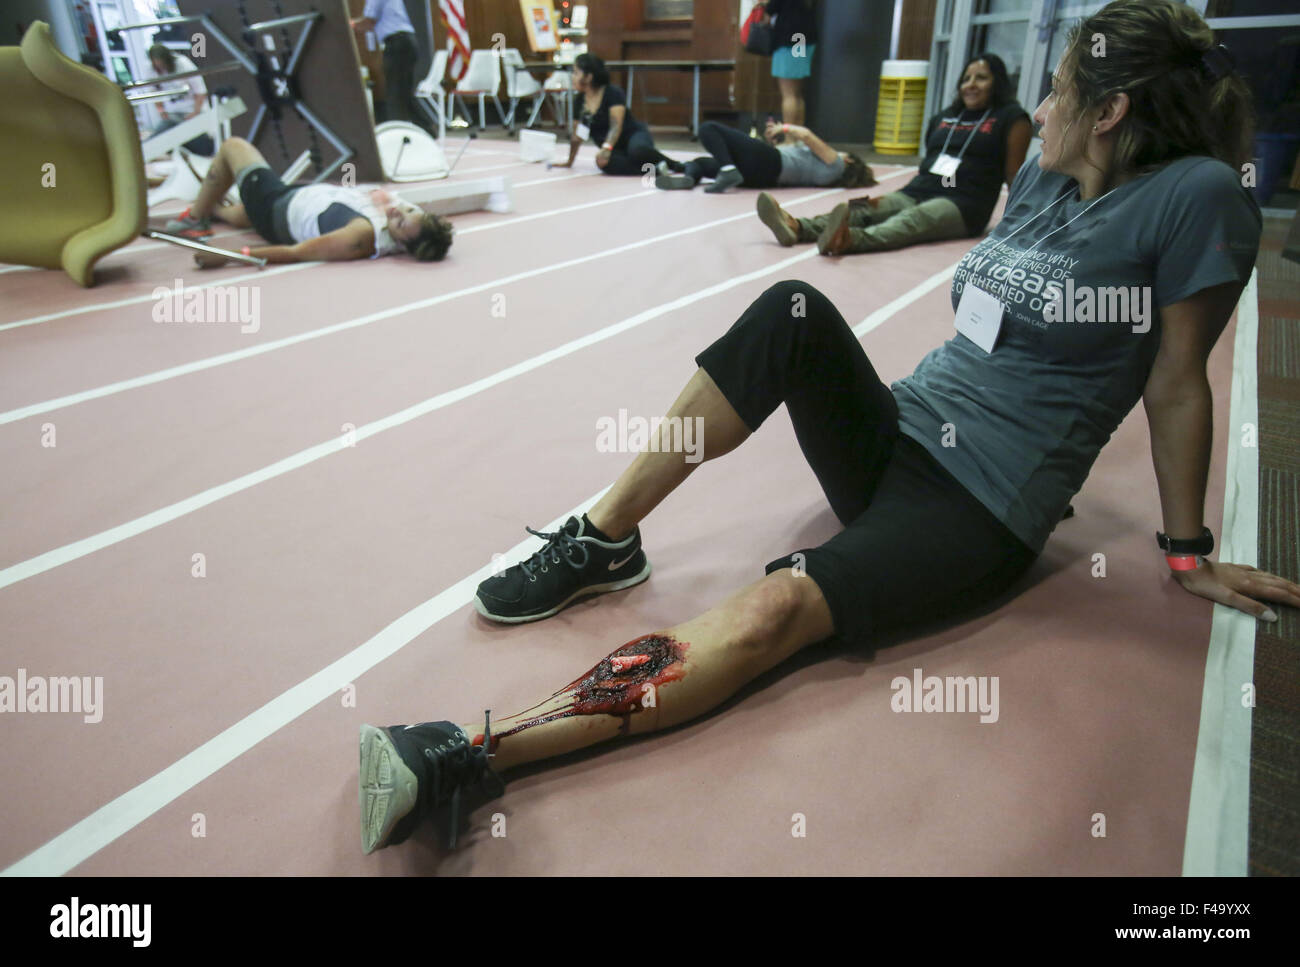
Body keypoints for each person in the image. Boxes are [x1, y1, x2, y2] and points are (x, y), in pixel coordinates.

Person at [358, 0, 1299, 855]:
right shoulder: (1050, 181)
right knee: (793, 308)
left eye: (1057, 94)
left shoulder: (1196, 197)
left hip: (979, 507)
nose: (1037, 112)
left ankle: (475, 752)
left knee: (779, 609)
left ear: (1111, 111)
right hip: (904, 430)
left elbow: (1177, 383)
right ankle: (604, 537)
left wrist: (1187, 552)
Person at [757, 53, 1032, 256]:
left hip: (963, 202)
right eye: (966, 78)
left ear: (998, 83)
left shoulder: (1011, 118)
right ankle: (797, 227)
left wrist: (1018, 227)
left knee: (912, 221)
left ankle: (848, 240)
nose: (970, 84)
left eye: (981, 78)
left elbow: (1014, 176)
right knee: (862, 208)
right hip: (919, 189)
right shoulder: (944, 117)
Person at [164, 137, 452, 266]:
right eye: (409, 209)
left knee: (233, 147)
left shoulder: (359, 237)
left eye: (400, 221)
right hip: (293, 200)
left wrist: (229, 257)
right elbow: (391, 205)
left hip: (275, 207)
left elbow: (296, 252)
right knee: (238, 215)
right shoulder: (393, 216)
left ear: (401, 243)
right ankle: (214, 208)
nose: (397, 210)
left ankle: (195, 220)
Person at [551, 53, 686, 177]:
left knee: (638, 151)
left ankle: (675, 165)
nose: (572, 77)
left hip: (631, 136)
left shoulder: (612, 92)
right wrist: (570, 160)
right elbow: (577, 136)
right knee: (602, 162)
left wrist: (606, 147)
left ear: (589, 76)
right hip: (613, 148)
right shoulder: (579, 102)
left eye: (575, 73)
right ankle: (656, 171)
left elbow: (616, 126)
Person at [653, 119, 875, 193]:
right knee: (701, 163)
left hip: (771, 161)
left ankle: (729, 170)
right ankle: (688, 177)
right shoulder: (828, 177)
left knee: (708, 128)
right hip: (764, 177)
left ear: (849, 160)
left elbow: (806, 135)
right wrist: (779, 138)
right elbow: (797, 154)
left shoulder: (836, 164)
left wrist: (784, 127)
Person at [351, 0, 436, 138]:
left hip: (397, 43)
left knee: (395, 94)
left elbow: (369, 21)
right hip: (405, 42)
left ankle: (398, 135)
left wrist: (349, 24)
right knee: (404, 93)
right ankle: (428, 129)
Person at [144, 43, 212, 156]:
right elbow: (153, 92)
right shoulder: (150, 69)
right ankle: (145, 151)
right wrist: (161, 110)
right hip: (172, 113)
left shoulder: (183, 64)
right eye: (157, 65)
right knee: (164, 132)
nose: (160, 67)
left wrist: (195, 112)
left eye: (162, 64)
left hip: (191, 111)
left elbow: (200, 91)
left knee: (197, 141)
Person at [760, 0, 816, 126]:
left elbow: (770, 11)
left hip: (788, 40)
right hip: (803, 38)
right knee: (797, 94)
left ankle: (790, 140)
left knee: (789, 95)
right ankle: (798, 138)